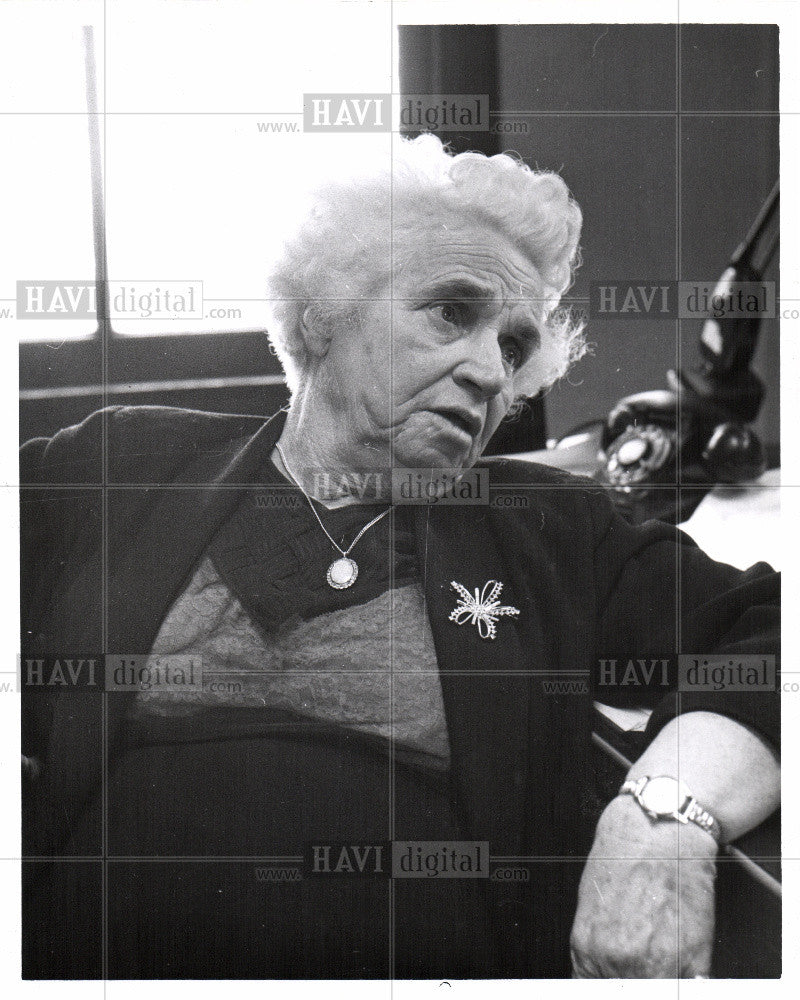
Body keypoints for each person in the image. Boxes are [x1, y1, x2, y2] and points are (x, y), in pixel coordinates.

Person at [21, 135, 779, 979]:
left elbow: (771, 637)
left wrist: (663, 819)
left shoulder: (550, 527)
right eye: (455, 312)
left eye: (516, 348)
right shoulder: (124, 466)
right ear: (324, 313)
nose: (493, 372)